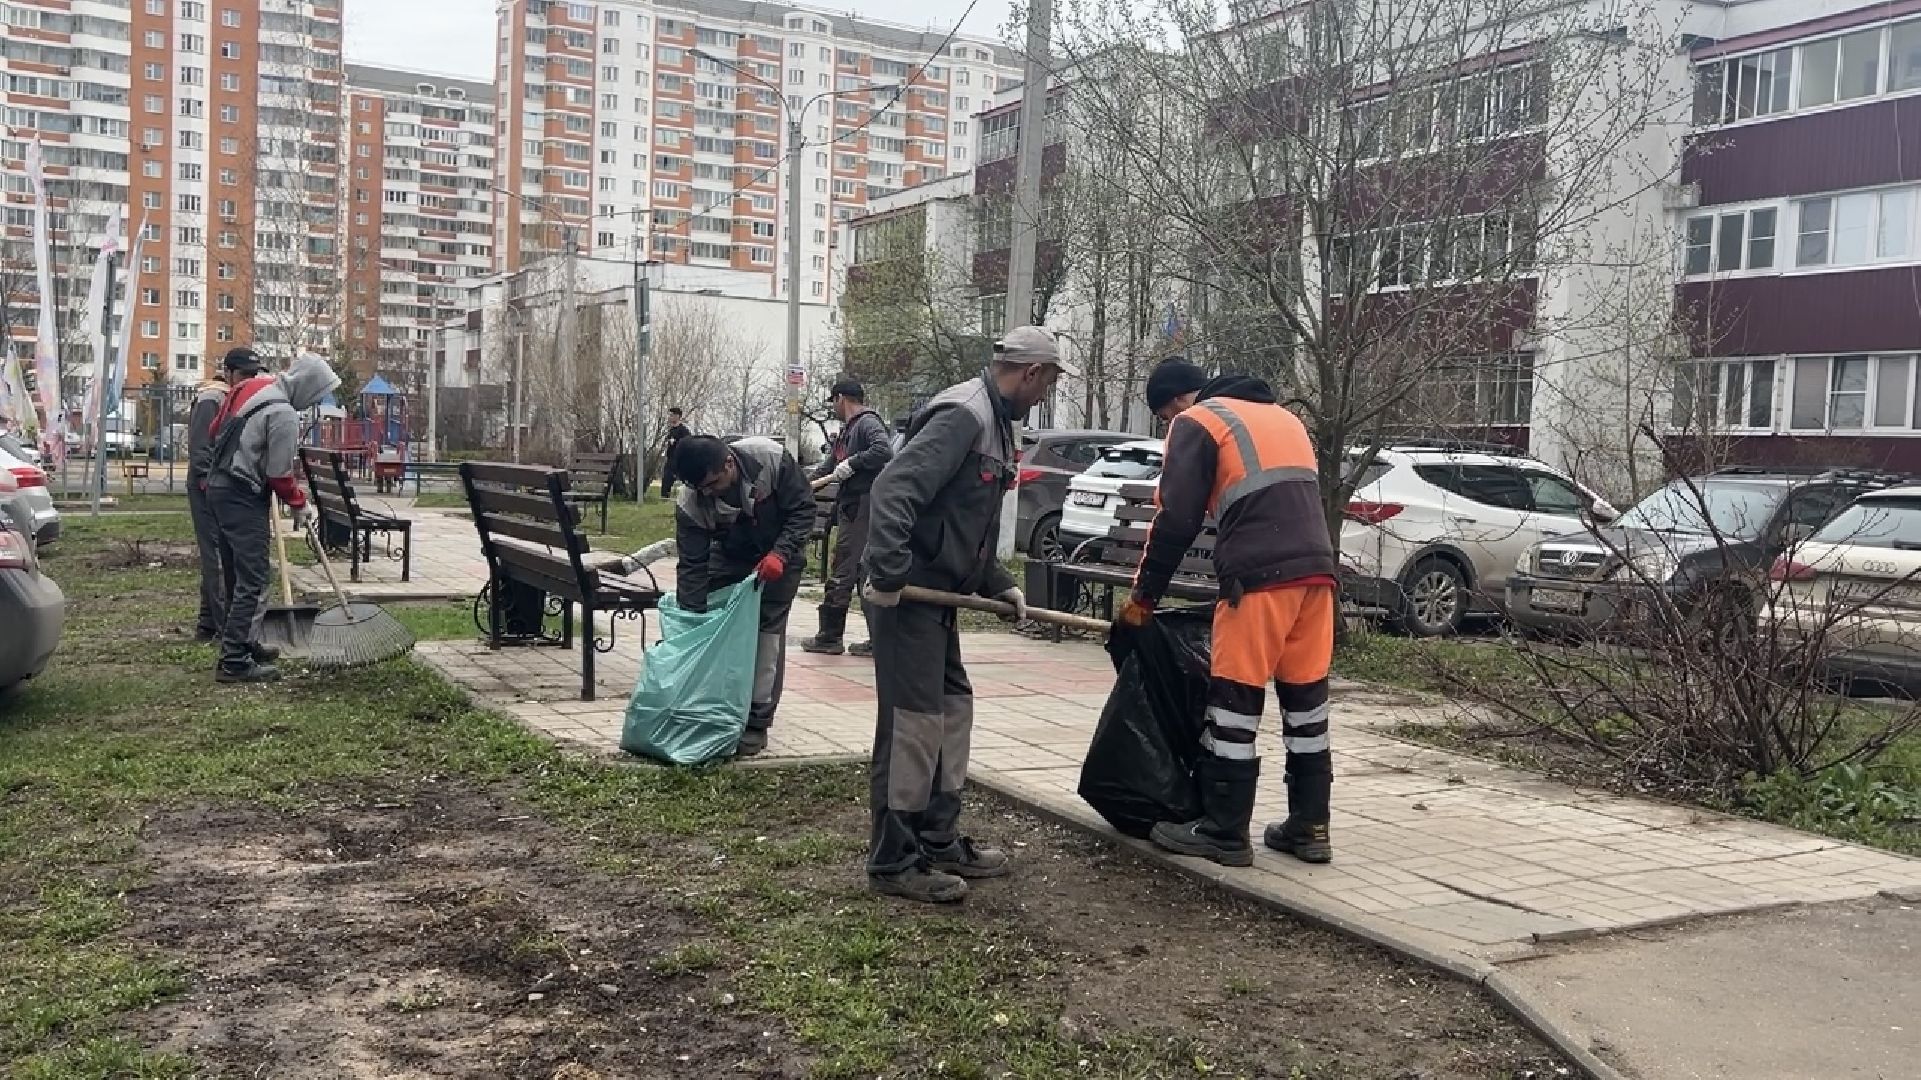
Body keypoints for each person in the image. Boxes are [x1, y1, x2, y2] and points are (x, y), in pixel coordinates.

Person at [861, 325, 1073, 903]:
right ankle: (894, 860)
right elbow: (894, 491)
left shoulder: (999, 426)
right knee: (914, 725)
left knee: (952, 710)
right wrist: (890, 573)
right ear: (1031, 374)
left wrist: (998, 583)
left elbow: (963, 522)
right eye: (1048, 383)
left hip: (938, 598)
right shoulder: (964, 415)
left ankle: (937, 836)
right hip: (907, 597)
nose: (1045, 395)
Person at [1120, 357, 1339, 866]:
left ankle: (1223, 830)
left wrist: (1143, 599)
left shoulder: (1197, 421)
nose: (1166, 426)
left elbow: (1175, 519)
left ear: (1176, 402)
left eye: (1162, 416)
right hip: (1318, 575)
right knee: (1306, 705)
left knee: (1234, 701)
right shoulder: (1283, 418)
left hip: (1257, 580)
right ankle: (1311, 826)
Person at [656, 434, 813, 756]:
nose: (709, 493)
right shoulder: (691, 501)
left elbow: (803, 510)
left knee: (766, 636)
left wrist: (781, 554)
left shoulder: (770, 459)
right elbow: (693, 564)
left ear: (729, 462)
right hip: (728, 555)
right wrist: (692, 620)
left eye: (714, 484)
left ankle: (756, 722)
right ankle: (706, 708)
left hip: (779, 557)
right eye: (701, 489)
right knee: (708, 624)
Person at [204, 350, 340, 683]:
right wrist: (299, 502)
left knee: (238, 574)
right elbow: (279, 474)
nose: (313, 403)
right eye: (317, 395)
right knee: (254, 578)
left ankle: (245, 642)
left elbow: (213, 431)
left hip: (218, 487)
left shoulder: (250, 388)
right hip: (241, 494)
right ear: (307, 387)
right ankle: (233, 661)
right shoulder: (284, 413)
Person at [800, 379, 894, 657]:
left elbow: (883, 450)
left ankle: (831, 637)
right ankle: (874, 639)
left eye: (833, 402)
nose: (833, 408)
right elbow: (827, 468)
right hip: (851, 506)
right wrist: (800, 487)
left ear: (841, 398)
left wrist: (853, 463)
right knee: (856, 570)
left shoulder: (867, 423)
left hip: (865, 505)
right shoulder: (845, 433)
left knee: (847, 568)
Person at [186, 347, 265, 644]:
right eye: (244, 375)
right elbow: (199, 451)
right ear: (229, 373)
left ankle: (208, 624)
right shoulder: (212, 398)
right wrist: (212, 486)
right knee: (217, 559)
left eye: (253, 375)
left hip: (220, 486)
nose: (249, 380)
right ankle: (223, 630)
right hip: (207, 487)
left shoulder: (236, 399)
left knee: (223, 558)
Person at [659, 407, 691, 499]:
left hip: (679, 459)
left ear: (677, 416)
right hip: (670, 458)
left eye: (672, 415)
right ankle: (664, 497)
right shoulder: (671, 430)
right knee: (666, 478)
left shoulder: (684, 430)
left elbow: (687, 444)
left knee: (684, 479)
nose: (670, 417)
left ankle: (687, 497)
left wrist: (676, 442)